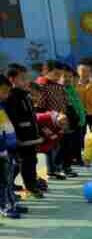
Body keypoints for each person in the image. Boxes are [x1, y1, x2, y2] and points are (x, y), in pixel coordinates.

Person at [4, 63, 44, 198]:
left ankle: (25, 183)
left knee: (29, 161)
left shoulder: (25, 95)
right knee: (25, 163)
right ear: (12, 80)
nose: (27, 81)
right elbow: (13, 120)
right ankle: (31, 186)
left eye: (27, 78)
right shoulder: (11, 98)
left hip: (30, 138)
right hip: (21, 139)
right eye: (22, 79)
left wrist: (37, 133)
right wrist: (18, 137)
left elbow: (31, 117)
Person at [0, 74, 23, 218]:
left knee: (8, 180)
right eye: (4, 91)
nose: (6, 95)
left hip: (7, 150)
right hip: (1, 152)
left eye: (7, 92)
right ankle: (5, 206)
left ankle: (11, 202)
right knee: (2, 181)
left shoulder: (2, 107)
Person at [60, 65, 85, 172]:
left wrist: (82, 118)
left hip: (77, 121)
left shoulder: (72, 89)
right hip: (67, 123)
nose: (68, 79)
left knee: (77, 142)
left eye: (70, 77)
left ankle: (77, 159)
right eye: (65, 76)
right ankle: (66, 164)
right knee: (67, 145)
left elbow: (79, 106)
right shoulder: (60, 90)